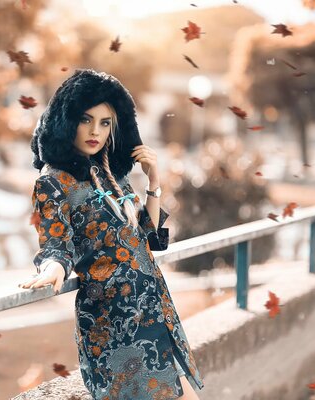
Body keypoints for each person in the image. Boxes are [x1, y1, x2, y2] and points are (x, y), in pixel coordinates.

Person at [18, 69, 205, 400]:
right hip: (115, 327)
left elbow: (151, 238)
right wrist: (53, 269)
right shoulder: (53, 181)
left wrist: (154, 182)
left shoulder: (109, 173)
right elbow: (55, 242)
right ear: (66, 121)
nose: (95, 131)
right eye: (86, 120)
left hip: (152, 313)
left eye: (105, 123)